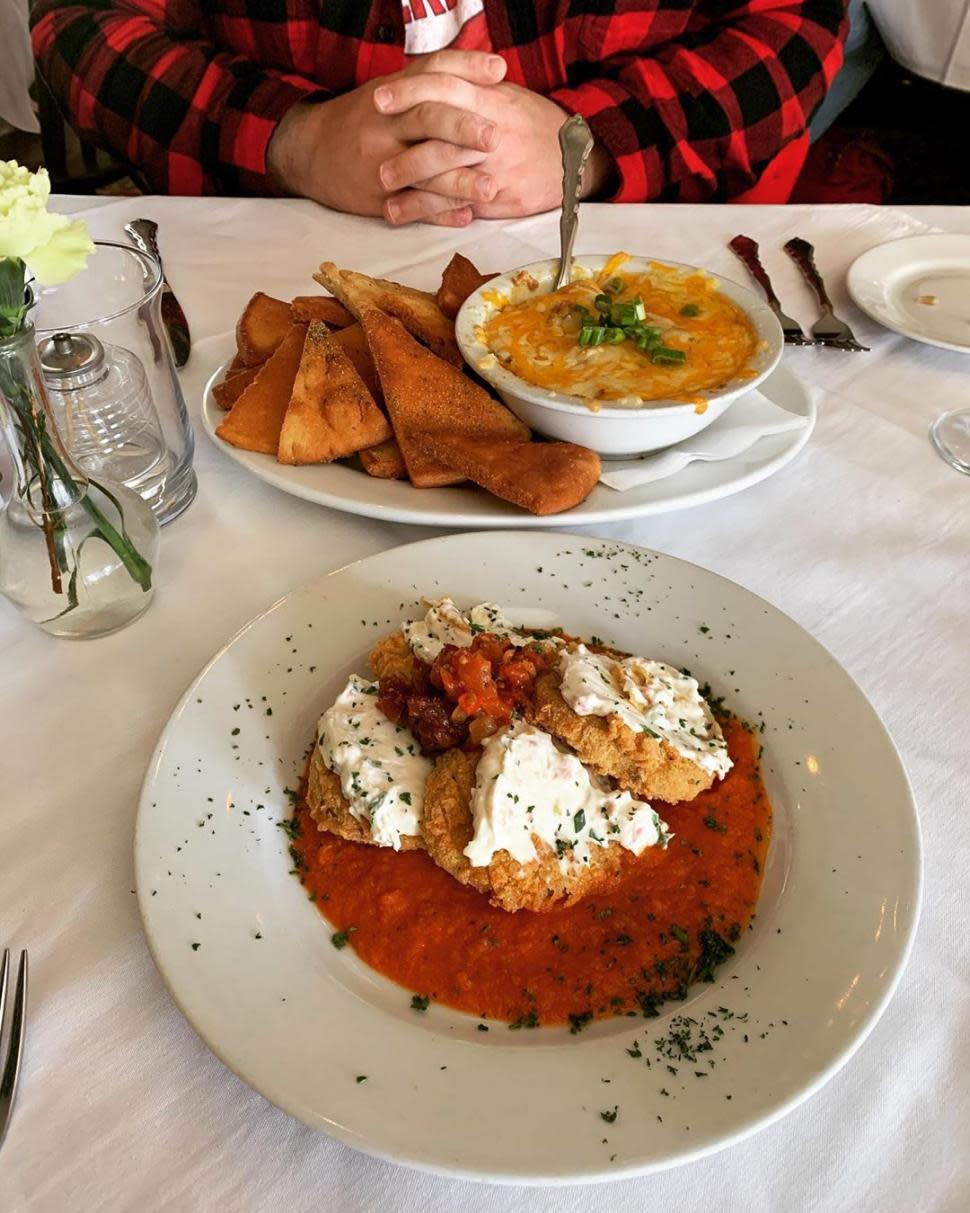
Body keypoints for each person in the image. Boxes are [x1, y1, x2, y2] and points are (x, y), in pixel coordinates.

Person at [31, 1, 849, 226]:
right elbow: (77, 22)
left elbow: (800, 23)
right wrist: (291, 139)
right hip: (272, 281)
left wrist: (588, 142)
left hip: (656, 265)